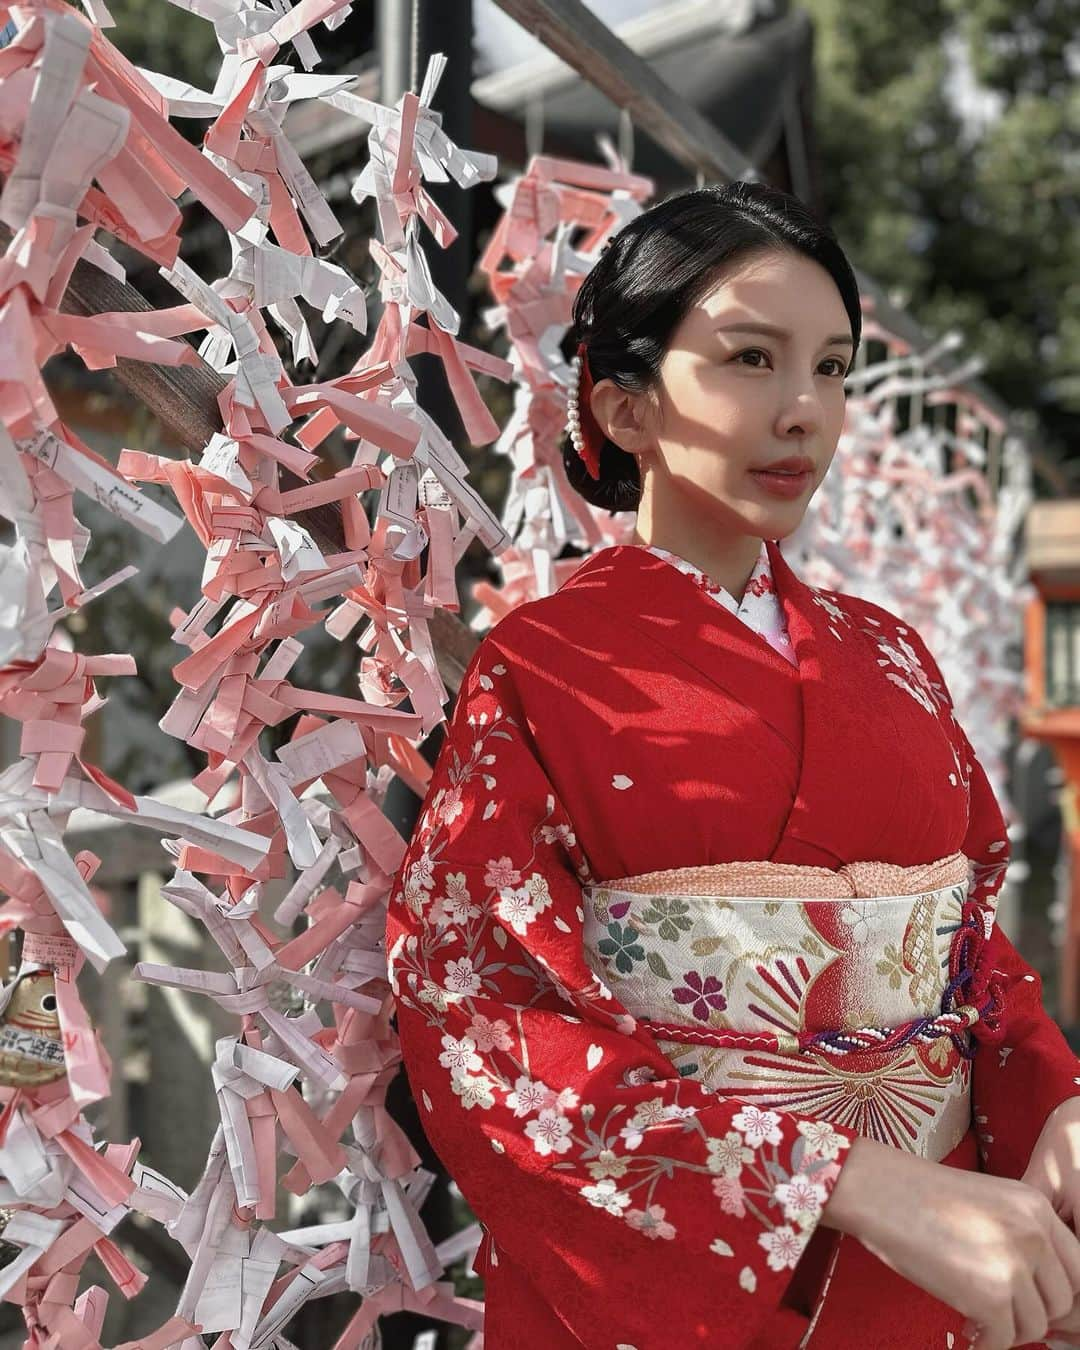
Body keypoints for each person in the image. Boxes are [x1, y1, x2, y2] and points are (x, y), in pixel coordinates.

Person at [385, 182, 1080, 1350]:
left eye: (835, 368)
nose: (805, 410)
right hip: (721, 1268)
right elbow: (486, 1013)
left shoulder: (890, 651)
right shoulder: (544, 665)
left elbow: (966, 951)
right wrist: (844, 1181)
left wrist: (1054, 1098)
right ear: (627, 405)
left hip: (932, 1268)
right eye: (753, 359)